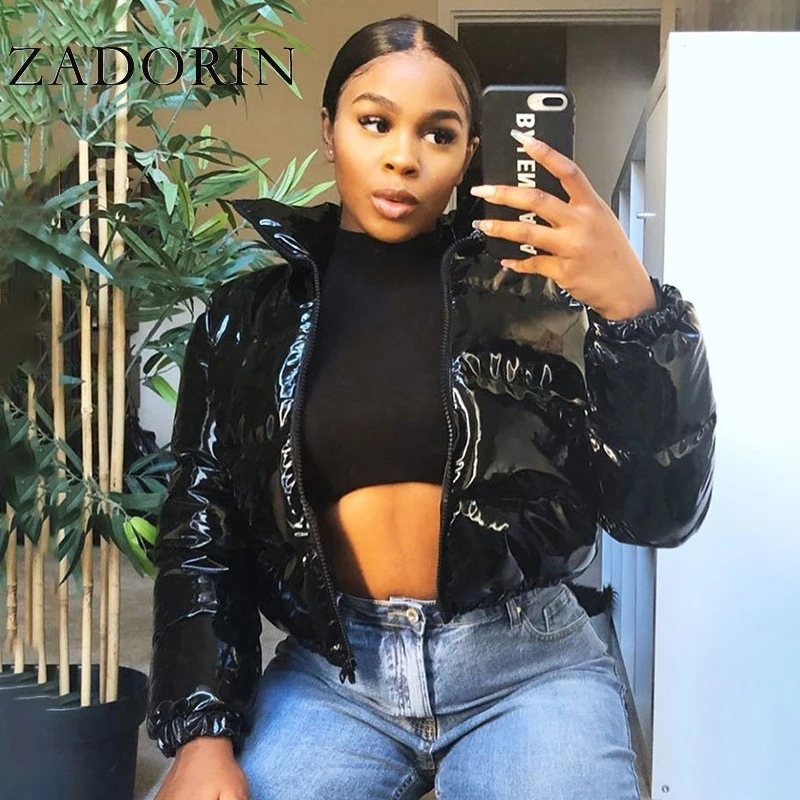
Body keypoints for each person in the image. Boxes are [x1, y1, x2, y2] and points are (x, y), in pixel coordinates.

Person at [147, 14, 716, 800]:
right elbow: (201, 530)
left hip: (528, 665)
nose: (402, 157)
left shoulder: (540, 296)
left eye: (438, 134)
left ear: (469, 151)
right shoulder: (246, 317)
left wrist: (637, 313)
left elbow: (659, 513)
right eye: (374, 122)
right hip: (334, 676)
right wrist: (202, 734)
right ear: (329, 129)